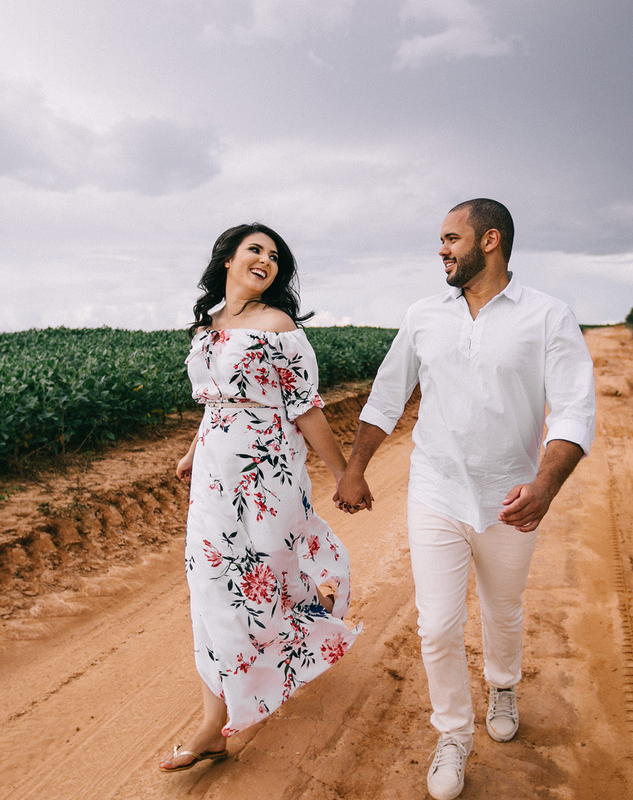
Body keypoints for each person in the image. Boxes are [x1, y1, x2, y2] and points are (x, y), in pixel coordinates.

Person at [334, 199, 595, 800]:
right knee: (438, 626)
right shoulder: (425, 315)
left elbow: (576, 408)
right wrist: (355, 468)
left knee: (503, 610)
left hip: (510, 497)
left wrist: (546, 485)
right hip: (436, 490)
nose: (442, 250)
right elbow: (387, 394)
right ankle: (452, 733)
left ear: (491, 241)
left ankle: (503, 686)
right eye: (441, 241)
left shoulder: (548, 316)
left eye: (451, 239)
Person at [159, 223, 361, 773]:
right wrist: (193, 451)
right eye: (256, 249)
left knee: (262, 585)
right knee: (210, 590)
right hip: (214, 479)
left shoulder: (279, 326)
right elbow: (215, 403)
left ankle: (308, 616)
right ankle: (213, 727)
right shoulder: (207, 326)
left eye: (275, 256)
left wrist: (346, 474)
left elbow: (306, 408)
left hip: (266, 477)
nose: (266, 261)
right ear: (227, 258)